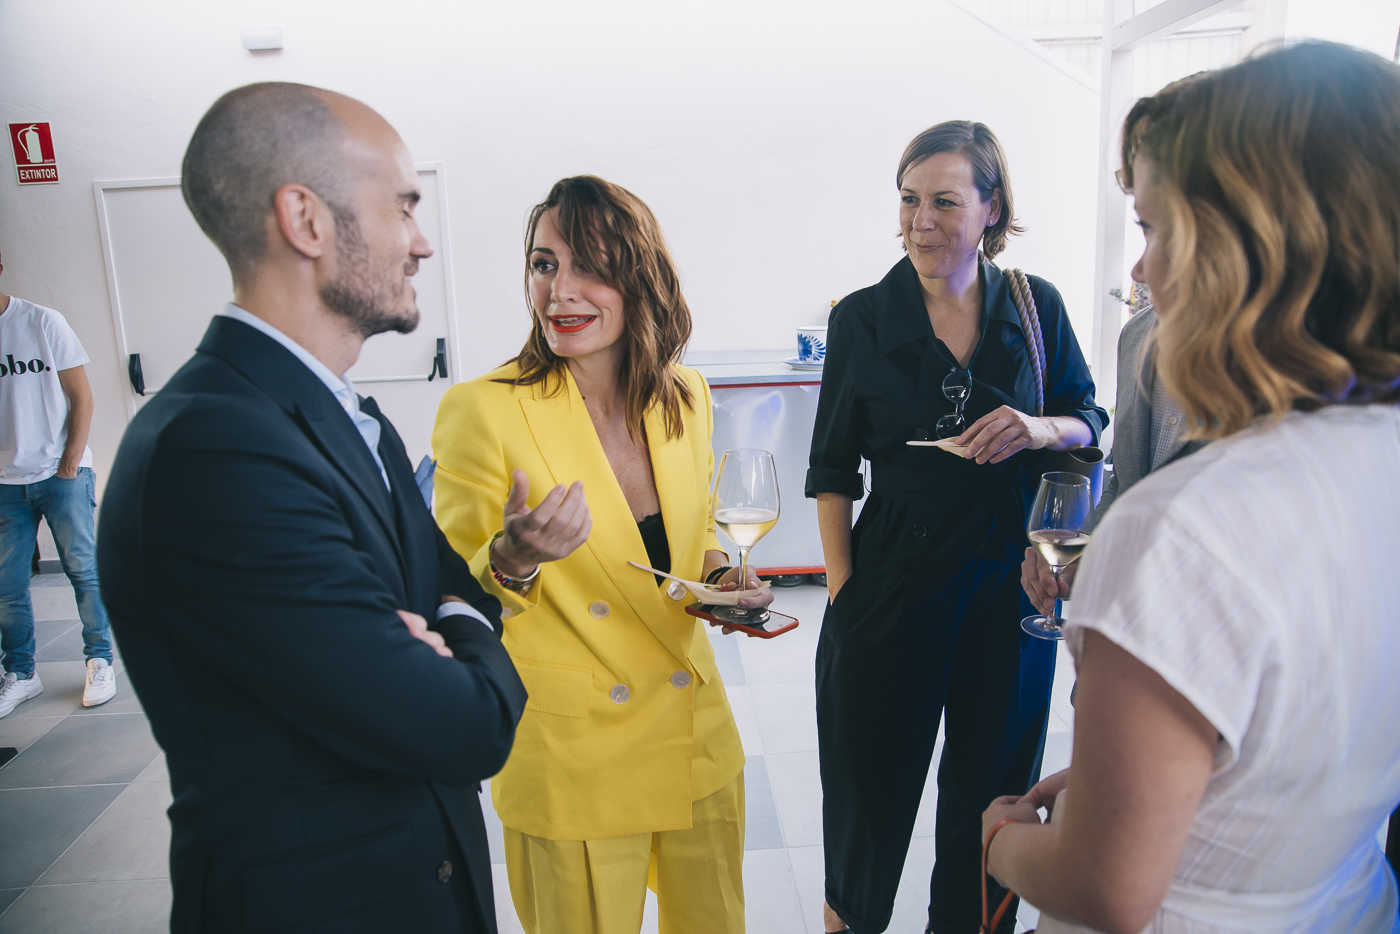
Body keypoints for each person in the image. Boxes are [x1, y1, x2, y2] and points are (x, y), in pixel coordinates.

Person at [982, 40, 1400, 933]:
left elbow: (1109, 887)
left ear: (1255, 246)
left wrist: (1001, 843)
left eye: (1155, 230)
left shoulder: (1182, 529)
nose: (1142, 275)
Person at [97, 83, 526, 933]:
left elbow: (448, 600)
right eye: (402, 207)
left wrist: (437, 620)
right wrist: (452, 630)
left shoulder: (348, 419)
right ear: (306, 219)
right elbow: (461, 724)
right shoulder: (216, 450)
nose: (421, 242)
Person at [432, 175, 767, 934]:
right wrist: (513, 558)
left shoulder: (685, 396)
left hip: (695, 737)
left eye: (590, 266)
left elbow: (696, 531)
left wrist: (718, 577)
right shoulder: (483, 410)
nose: (561, 292)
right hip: (573, 753)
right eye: (545, 264)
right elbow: (453, 595)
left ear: (640, 277)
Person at [807, 121, 1107, 934]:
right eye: (908, 199)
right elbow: (832, 474)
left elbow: (1087, 418)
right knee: (867, 802)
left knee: (988, 804)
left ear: (990, 209)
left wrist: (1038, 428)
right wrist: (842, 594)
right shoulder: (864, 319)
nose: (920, 220)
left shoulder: (1034, 307)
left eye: (944, 200)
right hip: (889, 587)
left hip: (1012, 595)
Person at [1019, 299, 1203, 618]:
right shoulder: (1136, 333)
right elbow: (1124, 482)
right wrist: (1087, 554)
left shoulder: (1283, 348)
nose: (1138, 271)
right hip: (1132, 613)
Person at [0, 247, 116, 716]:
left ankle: (100, 660)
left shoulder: (42, 322)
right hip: (6, 482)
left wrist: (70, 463)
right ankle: (22, 674)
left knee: (82, 570)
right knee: (7, 584)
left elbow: (81, 397)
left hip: (60, 472)